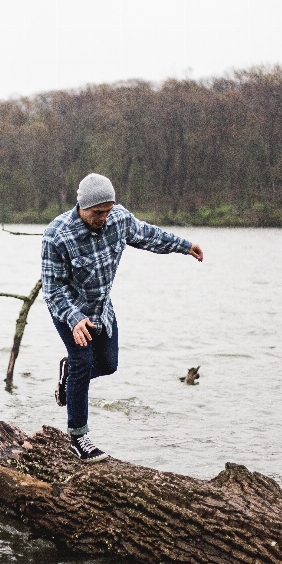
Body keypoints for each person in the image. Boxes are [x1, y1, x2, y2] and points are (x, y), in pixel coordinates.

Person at [41, 173, 203, 462]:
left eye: (108, 210)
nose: (103, 217)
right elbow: (52, 290)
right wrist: (74, 317)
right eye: (97, 213)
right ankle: (79, 437)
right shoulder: (57, 235)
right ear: (82, 206)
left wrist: (184, 245)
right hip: (71, 313)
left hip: (102, 309)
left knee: (108, 364)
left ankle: (70, 380)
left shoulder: (119, 220)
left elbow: (149, 235)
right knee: (82, 361)